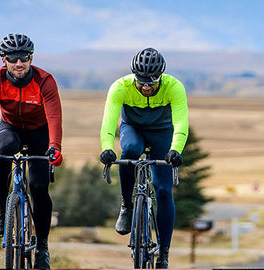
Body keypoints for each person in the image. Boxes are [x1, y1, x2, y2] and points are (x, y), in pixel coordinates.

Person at [0, 33, 63, 269]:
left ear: (31, 58)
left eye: (23, 58)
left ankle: (42, 248)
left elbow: (54, 116)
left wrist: (55, 147)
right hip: (10, 127)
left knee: (40, 187)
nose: (18, 63)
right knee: (5, 149)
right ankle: (0, 209)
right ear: (4, 60)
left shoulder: (45, 80)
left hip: (39, 133)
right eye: (13, 58)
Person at [99, 47, 188, 269]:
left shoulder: (174, 87)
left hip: (162, 132)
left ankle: (164, 253)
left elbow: (181, 122)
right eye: (141, 81)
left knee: (164, 191)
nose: (146, 86)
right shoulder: (120, 87)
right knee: (129, 151)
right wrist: (107, 148)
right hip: (134, 129)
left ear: (161, 76)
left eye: (152, 81)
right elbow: (109, 120)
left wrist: (176, 149)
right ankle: (126, 206)